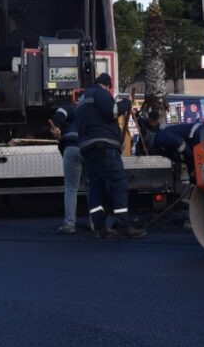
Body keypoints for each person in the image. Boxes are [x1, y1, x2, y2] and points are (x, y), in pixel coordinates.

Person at [73, 73, 146, 240]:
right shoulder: (100, 93)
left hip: (87, 148)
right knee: (119, 183)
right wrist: (126, 102)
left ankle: (99, 227)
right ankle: (123, 225)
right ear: (107, 86)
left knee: (96, 187)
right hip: (103, 146)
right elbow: (113, 111)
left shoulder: (82, 99)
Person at [50, 103, 84, 234]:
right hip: (89, 148)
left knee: (71, 188)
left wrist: (57, 127)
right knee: (92, 187)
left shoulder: (73, 108)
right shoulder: (95, 112)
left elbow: (59, 114)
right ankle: (95, 223)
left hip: (71, 146)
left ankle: (69, 224)